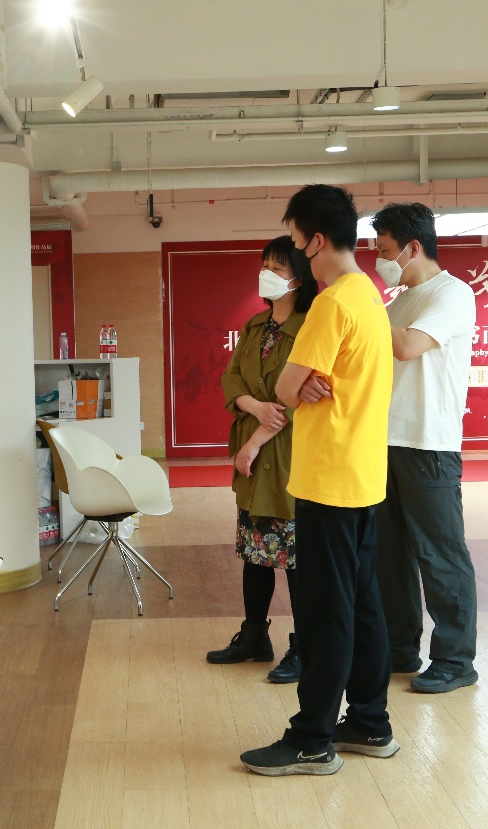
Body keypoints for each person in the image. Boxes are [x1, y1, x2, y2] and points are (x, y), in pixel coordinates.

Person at [240, 184, 397, 777]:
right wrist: (300, 383)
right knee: (363, 603)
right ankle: (370, 722)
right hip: (361, 474)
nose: (295, 253)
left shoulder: (331, 304)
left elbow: (286, 387)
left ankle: (311, 739)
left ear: (317, 240)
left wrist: (297, 384)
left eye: (296, 240)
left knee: (325, 611)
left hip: (328, 477)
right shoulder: (368, 294)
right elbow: (301, 384)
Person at [370, 203, 479, 693]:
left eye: (386, 250)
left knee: (440, 554)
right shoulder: (396, 303)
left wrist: (360, 313)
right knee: (389, 555)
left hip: (429, 444)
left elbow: (408, 346)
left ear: (413, 248)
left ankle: (455, 659)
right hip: (385, 443)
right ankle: (399, 647)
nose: (380, 260)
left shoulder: (452, 293)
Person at [208, 237, 318, 684]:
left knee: (296, 558)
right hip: (253, 458)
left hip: (289, 454)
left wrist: (254, 440)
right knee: (254, 551)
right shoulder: (256, 326)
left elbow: (304, 396)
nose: (266, 274)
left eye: (276, 267)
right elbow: (231, 378)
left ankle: (305, 647)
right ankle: (254, 636)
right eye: (264, 265)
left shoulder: (310, 327)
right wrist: (253, 407)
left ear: (298, 276)